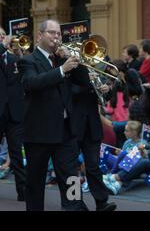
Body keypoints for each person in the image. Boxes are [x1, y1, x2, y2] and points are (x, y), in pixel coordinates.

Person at [18, 19, 85, 211]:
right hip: (39, 132)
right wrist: (62, 70)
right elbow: (32, 84)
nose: (56, 37)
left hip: (65, 131)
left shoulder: (62, 59)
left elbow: (83, 85)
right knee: (35, 183)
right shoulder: (28, 61)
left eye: (58, 33)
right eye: (52, 33)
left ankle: (74, 209)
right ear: (39, 35)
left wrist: (76, 62)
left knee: (71, 178)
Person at [68, 65, 117, 211]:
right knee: (72, 168)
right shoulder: (68, 69)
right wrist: (88, 83)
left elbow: (103, 99)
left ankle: (101, 202)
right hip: (73, 125)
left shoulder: (92, 70)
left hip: (92, 125)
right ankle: (75, 204)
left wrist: (106, 90)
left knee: (93, 166)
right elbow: (71, 92)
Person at [0, 27, 26, 201]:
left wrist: (21, 53)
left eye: (3, 35)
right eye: (0, 36)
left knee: (17, 153)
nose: (3, 37)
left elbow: (28, 73)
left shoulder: (14, 58)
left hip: (14, 114)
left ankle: (22, 191)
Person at [103, 121, 150, 195]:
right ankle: (114, 182)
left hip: (133, 167)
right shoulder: (127, 142)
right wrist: (119, 154)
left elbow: (144, 158)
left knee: (127, 155)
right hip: (122, 165)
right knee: (105, 154)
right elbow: (120, 159)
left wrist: (142, 150)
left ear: (134, 133)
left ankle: (112, 178)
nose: (124, 132)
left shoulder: (143, 143)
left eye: (126, 131)